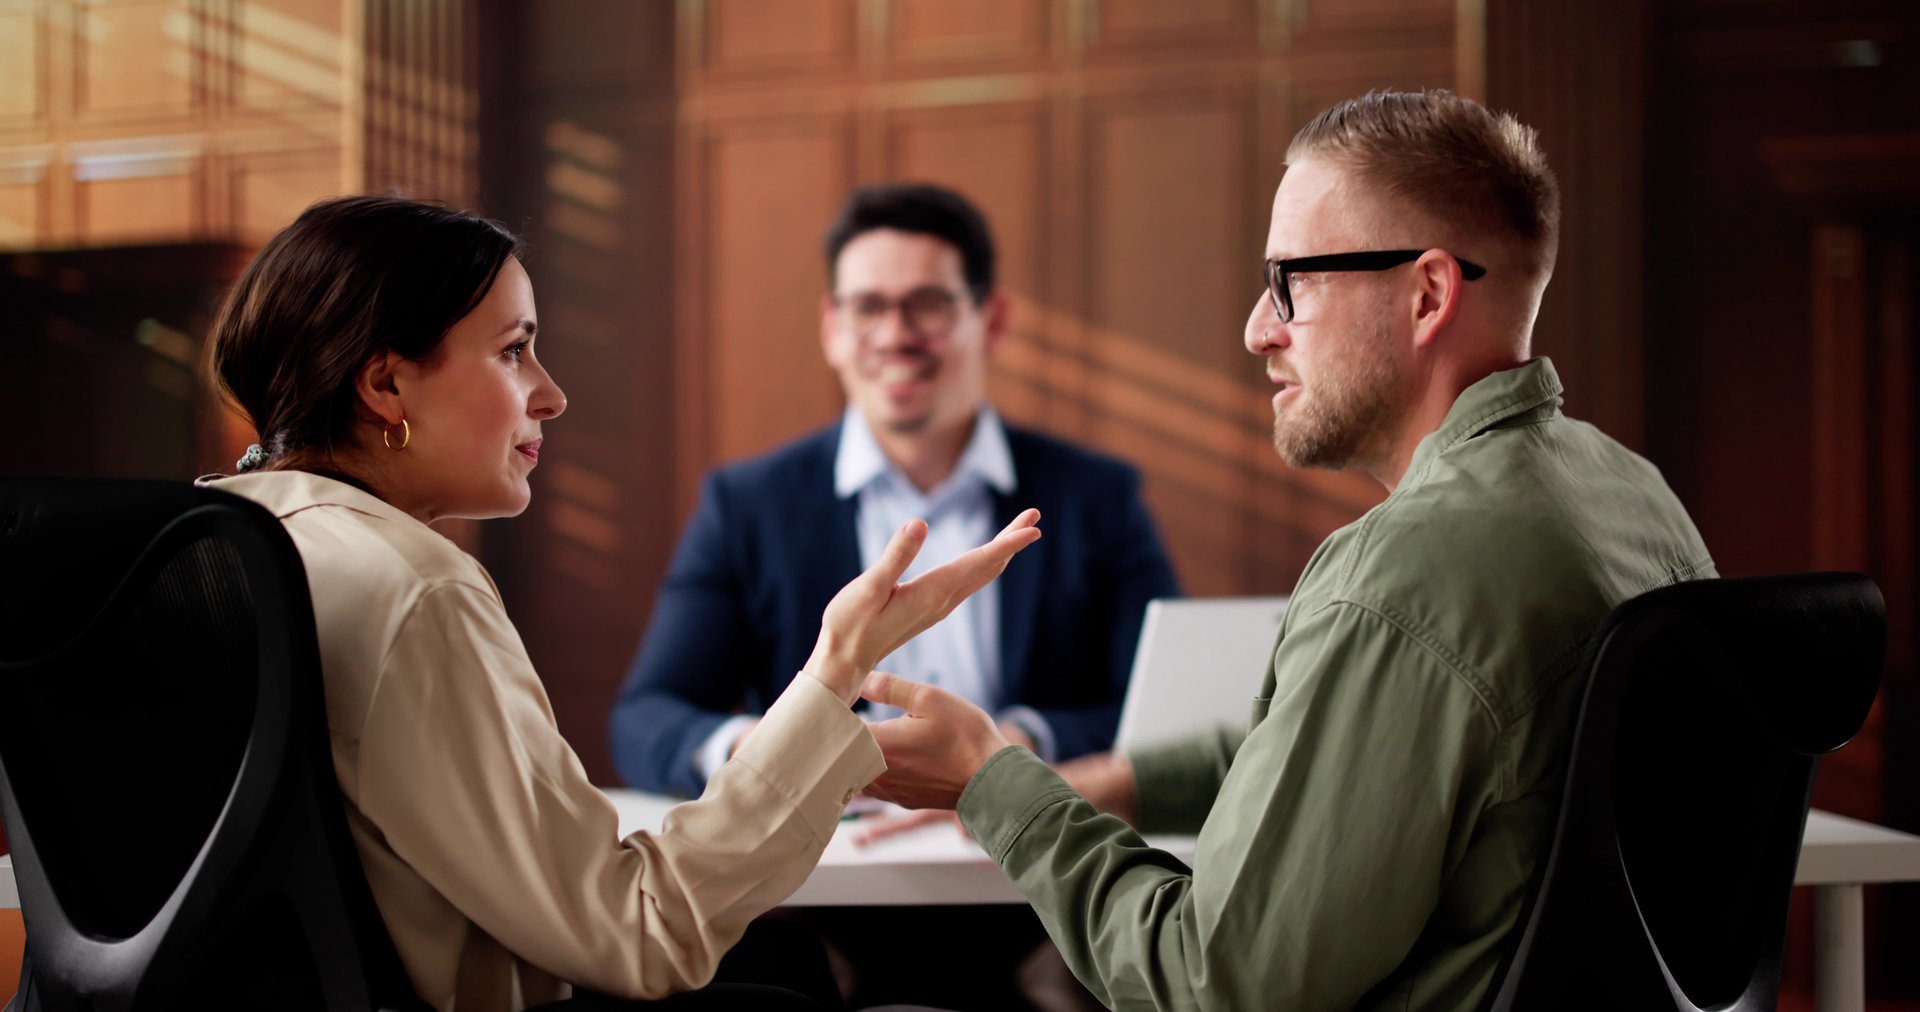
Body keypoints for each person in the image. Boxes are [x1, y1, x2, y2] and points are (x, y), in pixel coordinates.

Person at [856, 89, 1719, 1011]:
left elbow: (1212, 982)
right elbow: (1390, 753)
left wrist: (994, 785)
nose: (1257, 329)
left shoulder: (1407, 576)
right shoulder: (1633, 497)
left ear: (1427, 294)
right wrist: (1122, 779)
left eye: (1289, 283)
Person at [199, 194, 1040, 1011]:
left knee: (775, 955)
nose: (550, 394)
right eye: (512, 352)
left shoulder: (202, 544)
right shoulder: (415, 589)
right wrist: (838, 669)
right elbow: (638, 932)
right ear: (385, 386)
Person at [608, 183, 1178, 799]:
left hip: (1030, 870)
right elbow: (646, 720)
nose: (894, 335)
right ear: (832, 327)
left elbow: (1165, 709)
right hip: (824, 876)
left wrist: (1020, 743)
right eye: (867, 308)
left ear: (993, 321)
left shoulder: (1098, 498)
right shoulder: (746, 505)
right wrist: (765, 750)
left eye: (927, 304)